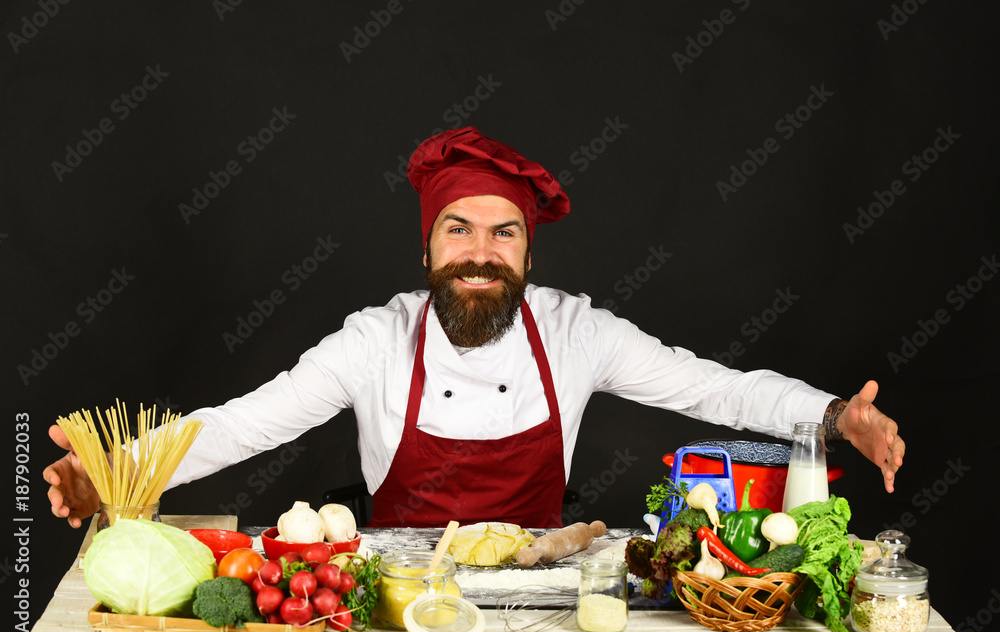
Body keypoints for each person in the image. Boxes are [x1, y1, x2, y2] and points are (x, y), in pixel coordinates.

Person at [45, 126, 905, 529]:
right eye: (459, 230)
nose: (481, 254)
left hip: (542, 599)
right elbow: (239, 423)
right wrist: (112, 477)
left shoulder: (577, 333)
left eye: (506, 233)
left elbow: (714, 386)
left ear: (529, 252)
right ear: (426, 249)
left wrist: (833, 416)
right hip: (391, 602)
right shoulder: (372, 342)